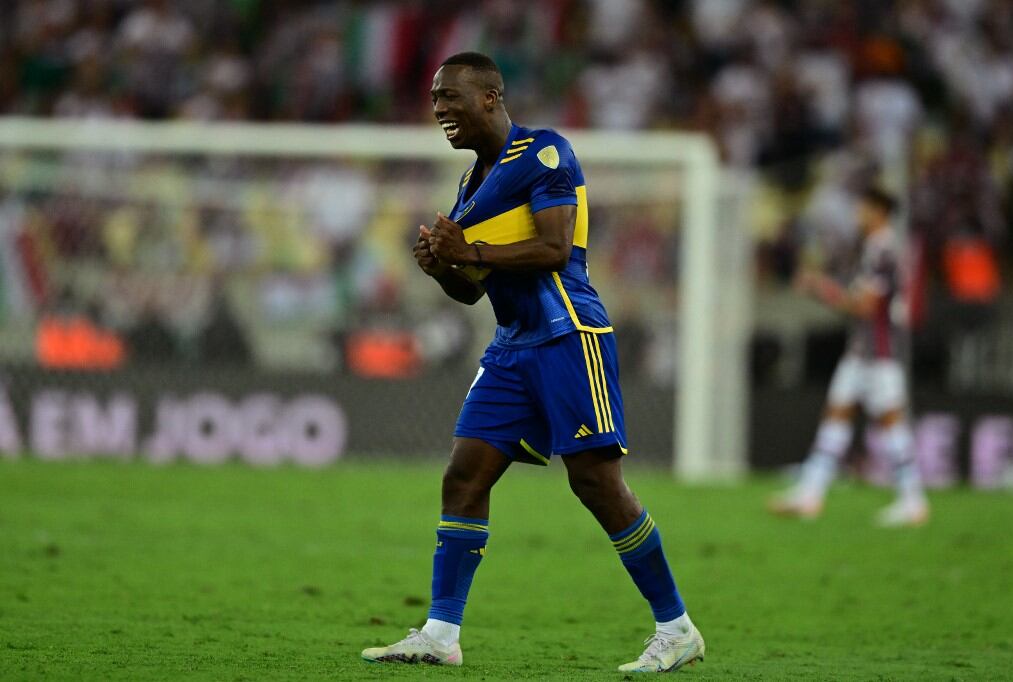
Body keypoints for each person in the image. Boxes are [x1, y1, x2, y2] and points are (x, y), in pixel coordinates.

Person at [360, 52, 705, 673]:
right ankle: (441, 632)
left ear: (490, 98)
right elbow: (472, 287)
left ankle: (676, 626)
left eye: (451, 97)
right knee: (463, 476)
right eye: (435, 99)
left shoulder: (545, 153)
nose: (440, 109)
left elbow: (553, 247)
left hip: (569, 333)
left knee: (596, 482)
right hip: (512, 345)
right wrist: (443, 267)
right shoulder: (471, 185)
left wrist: (470, 246)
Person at [770, 187, 929, 527]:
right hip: (862, 351)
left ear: (880, 212)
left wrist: (820, 289)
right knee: (836, 416)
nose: (859, 215)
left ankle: (913, 500)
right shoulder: (873, 249)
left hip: (879, 352)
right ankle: (810, 494)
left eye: (865, 209)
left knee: (890, 422)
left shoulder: (883, 251)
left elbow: (864, 307)